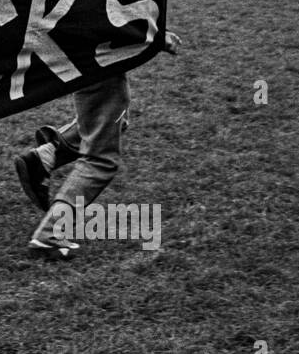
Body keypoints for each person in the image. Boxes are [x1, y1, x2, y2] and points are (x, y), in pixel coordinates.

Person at [10, 32, 183, 259]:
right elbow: (103, 12)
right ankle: (49, 236)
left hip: (83, 51)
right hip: (97, 55)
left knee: (113, 122)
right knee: (101, 159)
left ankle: (46, 156)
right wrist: (153, 36)